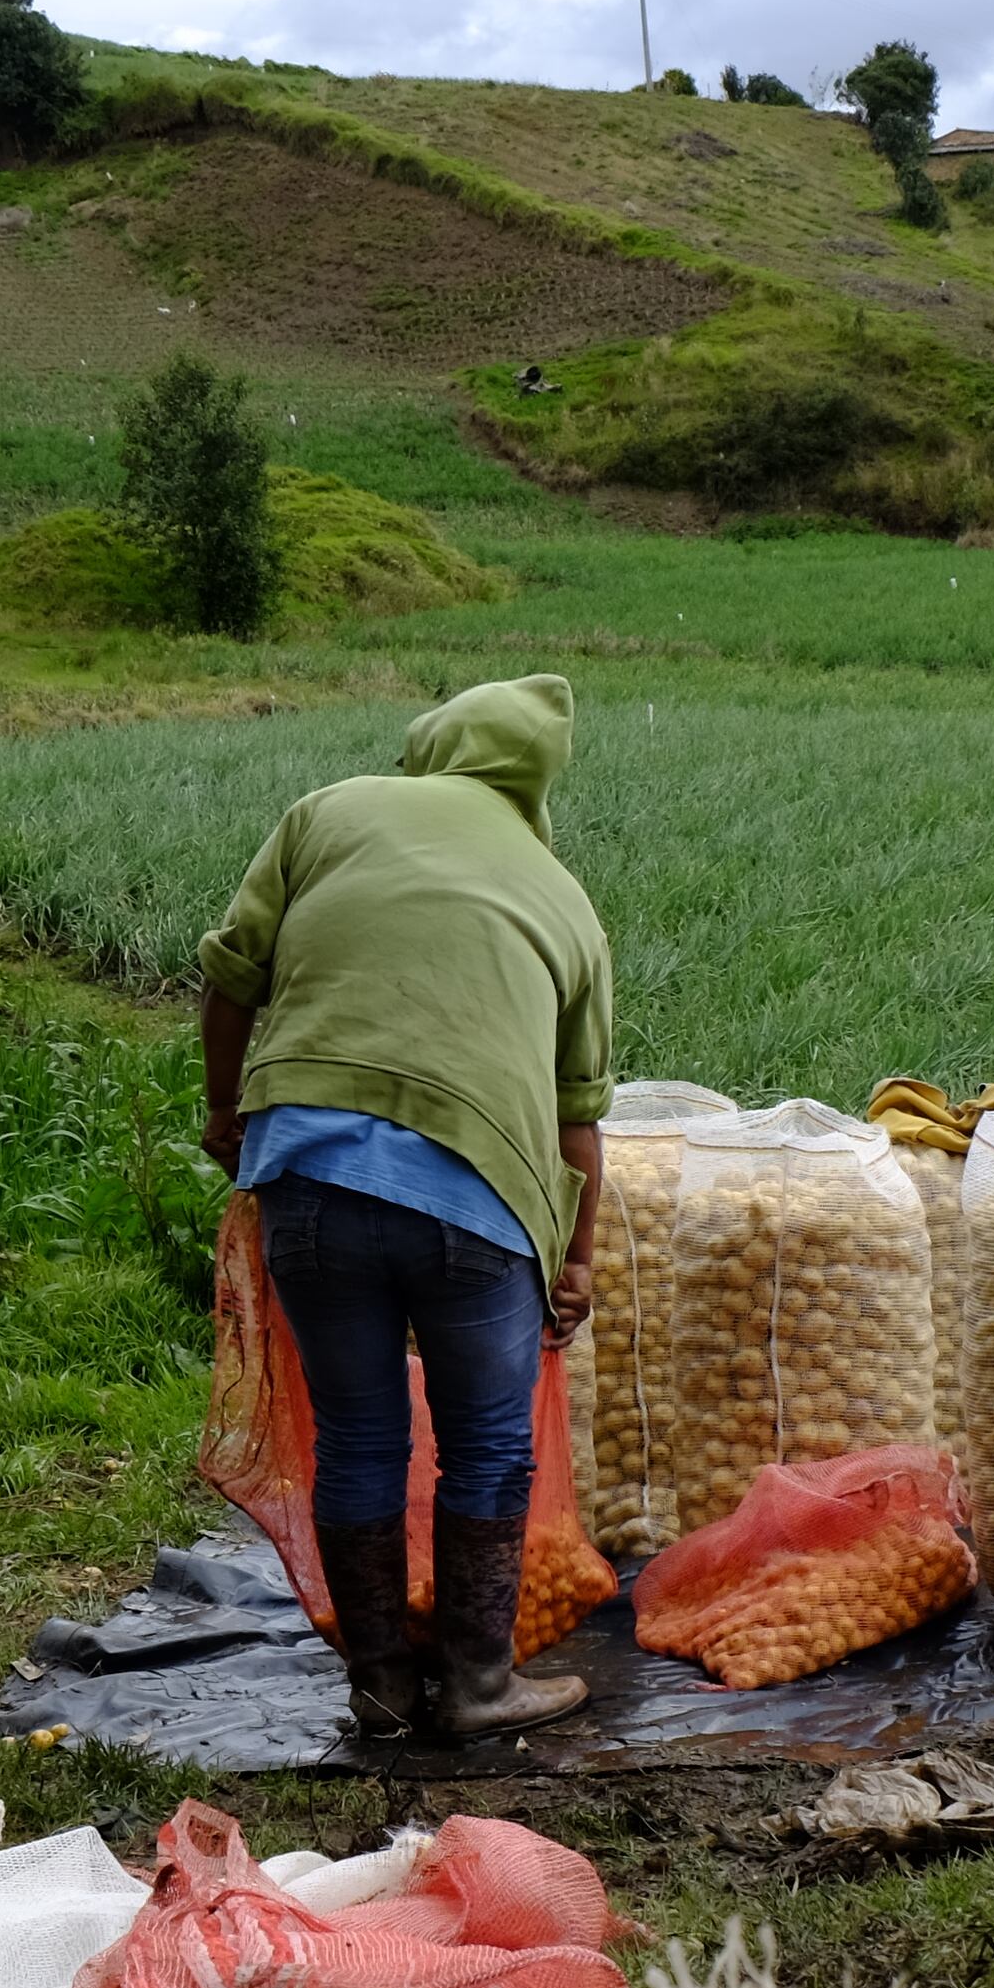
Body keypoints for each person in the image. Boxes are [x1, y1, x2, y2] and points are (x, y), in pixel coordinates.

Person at [198, 673, 611, 1740]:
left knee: (360, 1436)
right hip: (478, 1199)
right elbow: (576, 1122)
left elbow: (231, 976)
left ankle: (380, 1686)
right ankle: (478, 1685)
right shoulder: (562, 897)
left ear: (432, 744)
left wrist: (224, 1115)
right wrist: (575, 1264)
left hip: (310, 1176)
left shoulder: (329, 813)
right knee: (486, 1446)